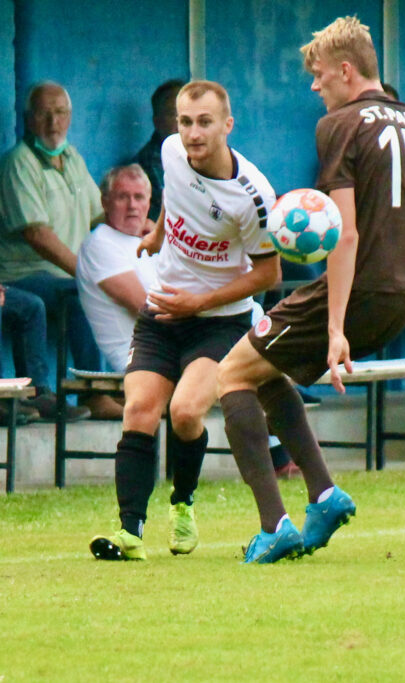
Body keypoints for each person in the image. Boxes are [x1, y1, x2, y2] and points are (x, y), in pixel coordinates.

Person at [216, 16, 405, 564]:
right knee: (262, 367)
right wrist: (397, 280)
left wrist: (334, 328)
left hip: (357, 291)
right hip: (401, 296)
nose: (314, 86)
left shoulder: (341, 125)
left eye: (320, 75)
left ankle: (274, 525)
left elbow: (344, 233)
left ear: (346, 71)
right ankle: (323, 494)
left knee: (228, 375)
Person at [88, 80, 280, 562]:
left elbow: (269, 273)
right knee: (138, 412)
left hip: (219, 322)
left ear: (227, 125)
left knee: (187, 412)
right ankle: (130, 532)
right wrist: (156, 233)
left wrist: (201, 302)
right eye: (186, 121)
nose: (193, 133)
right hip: (162, 313)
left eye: (204, 122)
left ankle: (183, 503)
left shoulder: (253, 196)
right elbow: (176, 194)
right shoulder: (173, 152)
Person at [0, 81, 120, 419]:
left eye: (61, 113)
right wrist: (87, 273)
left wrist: (147, 233)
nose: (54, 123)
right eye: (44, 114)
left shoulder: (71, 157)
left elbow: (102, 215)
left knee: (121, 289)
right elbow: (37, 233)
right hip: (22, 274)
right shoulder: (17, 163)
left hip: (61, 275)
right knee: (86, 293)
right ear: (28, 119)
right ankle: (92, 395)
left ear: (70, 117)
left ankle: (121, 388)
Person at [76, 164, 158, 371]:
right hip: (145, 356)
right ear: (105, 203)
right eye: (123, 197)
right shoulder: (101, 242)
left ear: (148, 203)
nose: (132, 206)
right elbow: (148, 309)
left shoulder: (149, 242)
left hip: (175, 347)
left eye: (139, 197)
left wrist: (161, 235)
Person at [133, 79, 185, 222]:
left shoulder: (195, 153)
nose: (181, 121)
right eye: (173, 114)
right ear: (157, 121)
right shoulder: (150, 160)